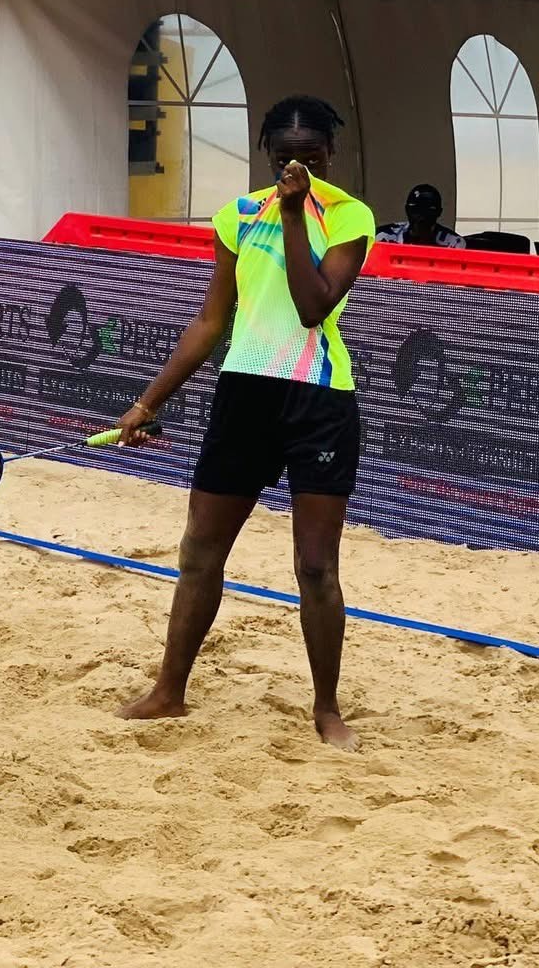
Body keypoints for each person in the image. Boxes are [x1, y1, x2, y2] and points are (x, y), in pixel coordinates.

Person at [114, 95, 374, 750]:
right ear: (268, 156)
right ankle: (169, 691)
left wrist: (293, 213)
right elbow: (211, 321)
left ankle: (326, 708)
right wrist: (148, 402)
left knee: (315, 567)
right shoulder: (236, 216)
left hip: (318, 400)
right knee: (200, 551)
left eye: (311, 157)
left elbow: (313, 306)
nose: (298, 167)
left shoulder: (349, 216)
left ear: (330, 155)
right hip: (245, 393)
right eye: (286, 157)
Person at [375, 183, 464, 248]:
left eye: (429, 211)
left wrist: (426, 238)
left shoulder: (453, 242)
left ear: (439, 212)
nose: (421, 216)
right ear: (407, 210)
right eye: (416, 209)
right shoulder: (384, 236)